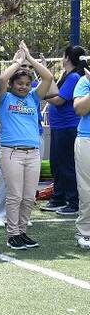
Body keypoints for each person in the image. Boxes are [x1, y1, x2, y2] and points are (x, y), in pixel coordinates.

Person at [0, 41, 53, 250]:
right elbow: (2, 79)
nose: (23, 87)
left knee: (29, 197)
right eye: (19, 83)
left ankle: (22, 232)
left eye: (27, 84)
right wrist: (18, 62)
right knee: (15, 196)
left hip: (33, 153)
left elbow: (48, 78)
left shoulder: (33, 98)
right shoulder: (3, 98)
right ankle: (12, 235)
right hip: (12, 153)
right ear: (13, 84)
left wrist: (30, 60)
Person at [42, 46, 87, 216]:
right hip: (59, 127)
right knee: (57, 164)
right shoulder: (66, 75)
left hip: (68, 128)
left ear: (67, 57)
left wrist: (40, 95)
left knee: (67, 165)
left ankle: (73, 202)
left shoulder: (74, 77)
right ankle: (58, 197)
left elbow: (59, 99)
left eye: (63, 56)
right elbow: (53, 89)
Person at [72, 65, 90, 249]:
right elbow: (80, 109)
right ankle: (86, 232)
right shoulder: (84, 81)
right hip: (87, 139)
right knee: (87, 189)